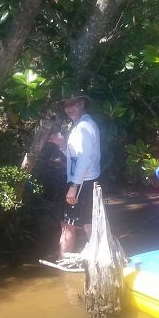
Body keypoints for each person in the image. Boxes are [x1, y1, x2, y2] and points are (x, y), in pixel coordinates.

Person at [49, 91, 101, 258]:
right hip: (85, 180)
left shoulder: (85, 126)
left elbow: (84, 159)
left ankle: (63, 262)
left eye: (73, 104)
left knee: (68, 224)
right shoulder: (80, 125)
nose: (69, 108)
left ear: (82, 104)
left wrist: (74, 186)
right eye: (66, 105)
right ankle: (99, 259)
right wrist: (63, 145)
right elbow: (76, 157)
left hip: (82, 182)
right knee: (88, 222)